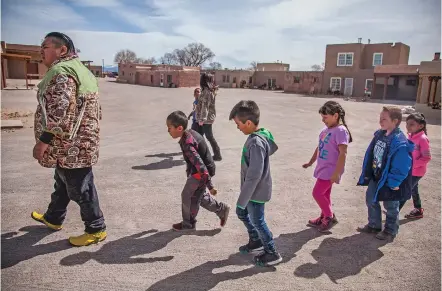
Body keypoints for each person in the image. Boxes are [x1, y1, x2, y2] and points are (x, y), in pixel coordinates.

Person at [31, 32, 106, 246]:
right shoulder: (80, 69)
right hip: (77, 142)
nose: (41, 51)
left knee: (81, 187)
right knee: (62, 182)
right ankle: (54, 218)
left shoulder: (62, 71)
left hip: (72, 145)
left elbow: (60, 110)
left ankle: (96, 228)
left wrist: (43, 141)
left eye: (45, 46)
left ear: (62, 50)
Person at [229, 100, 282, 267]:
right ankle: (256, 240)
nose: (237, 127)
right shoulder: (258, 137)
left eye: (238, 124)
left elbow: (254, 176)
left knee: (257, 220)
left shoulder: (256, 143)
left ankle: (272, 252)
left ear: (249, 123)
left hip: (255, 192)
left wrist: (242, 199)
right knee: (244, 214)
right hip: (252, 190)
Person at [166, 111, 230, 231]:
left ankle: (188, 224)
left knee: (187, 196)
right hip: (202, 170)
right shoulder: (188, 133)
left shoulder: (188, 143)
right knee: (197, 196)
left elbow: (200, 165)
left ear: (179, 128)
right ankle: (221, 209)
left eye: (169, 128)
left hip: (201, 173)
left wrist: (210, 186)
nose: (168, 131)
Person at [357, 106, 414, 240]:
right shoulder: (380, 134)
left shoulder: (400, 142)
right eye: (380, 118)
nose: (380, 121)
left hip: (389, 181)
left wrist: (394, 182)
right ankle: (374, 225)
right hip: (376, 176)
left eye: (384, 119)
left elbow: (402, 166)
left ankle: (390, 230)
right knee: (370, 199)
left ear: (395, 121)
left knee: (391, 206)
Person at [303, 101, 352, 232]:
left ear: (335, 116)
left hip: (330, 170)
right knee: (325, 195)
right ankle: (324, 215)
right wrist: (311, 162)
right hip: (322, 168)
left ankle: (329, 217)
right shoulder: (325, 131)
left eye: (325, 117)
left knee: (317, 193)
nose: (323, 120)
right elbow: (319, 147)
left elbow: (343, 153)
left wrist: (337, 172)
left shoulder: (341, 131)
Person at [399, 113, 431, 218]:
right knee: (413, 189)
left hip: (416, 172)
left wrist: (413, 165)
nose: (408, 126)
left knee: (405, 191)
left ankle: (394, 210)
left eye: (411, 124)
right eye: (407, 124)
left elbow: (426, 157)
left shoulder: (422, 138)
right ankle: (418, 209)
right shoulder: (410, 136)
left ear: (420, 126)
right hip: (409, 170)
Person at [195, 73, 222, 161]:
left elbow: (205, 106)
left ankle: (217, 155)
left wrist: (202, 119)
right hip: (205, 118)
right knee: (200, 136)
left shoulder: (207, 92)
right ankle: (203, 153)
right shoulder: (206, 91)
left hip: (205, 119)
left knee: (209, 137)